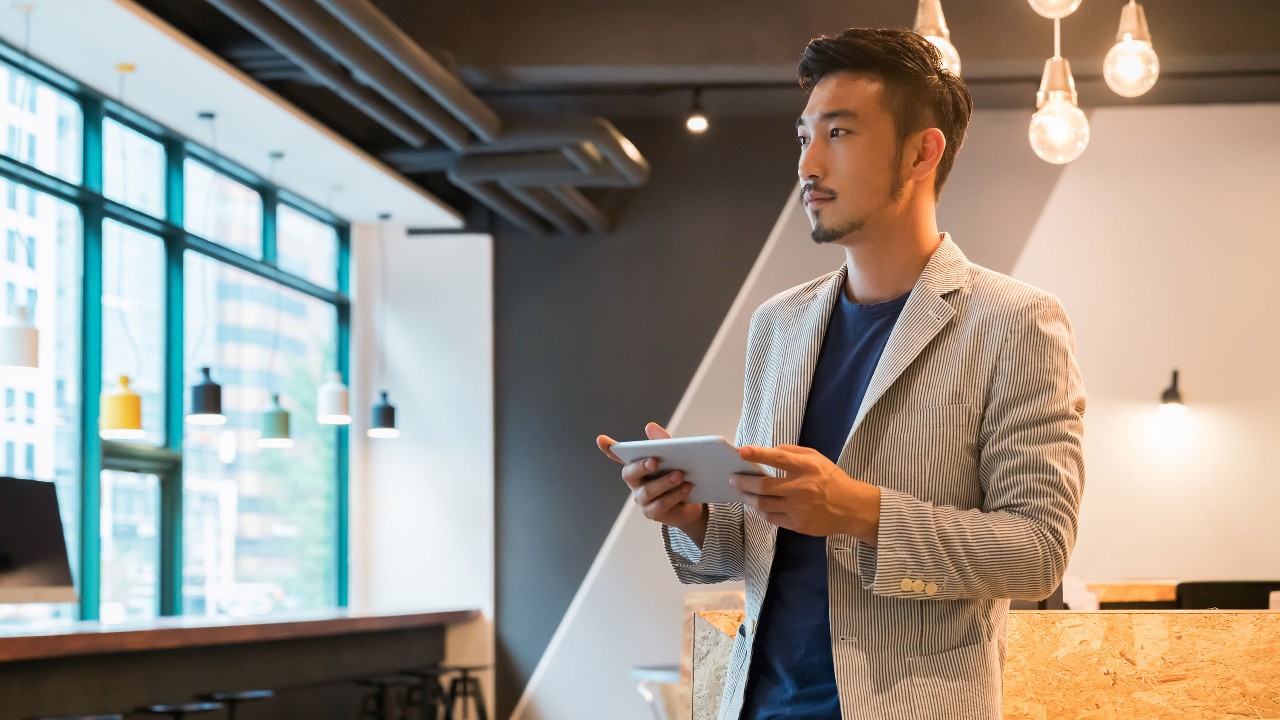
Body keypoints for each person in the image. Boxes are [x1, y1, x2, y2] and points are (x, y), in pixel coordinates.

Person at [596, 27, 1086, 720]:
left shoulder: (1015, 322)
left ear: (922, 152)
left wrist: (860, 511)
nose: (807, 164)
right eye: (804, 137)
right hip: (759, 705)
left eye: (840, 134)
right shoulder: (778, 325)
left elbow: (1038, 553)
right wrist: (695, 515)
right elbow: (754, 543)